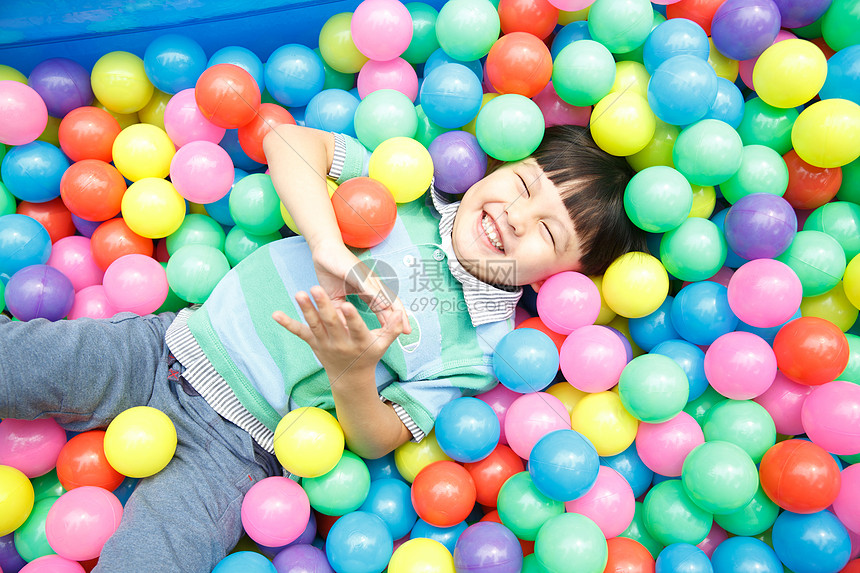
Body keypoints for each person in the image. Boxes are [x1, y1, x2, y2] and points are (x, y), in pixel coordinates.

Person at [0, 123, 646, 571]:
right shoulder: (410, 184)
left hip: (238, 446)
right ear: (505, 164)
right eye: (525, 186)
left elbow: (376, 437)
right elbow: (287, 142)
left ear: (559, 279)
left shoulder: (484, 346)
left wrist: (352, 371)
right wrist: (327, 241)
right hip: (161, 345)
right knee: (23, 360)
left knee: (156, 555)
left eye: (547, 232)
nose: (513, 216)